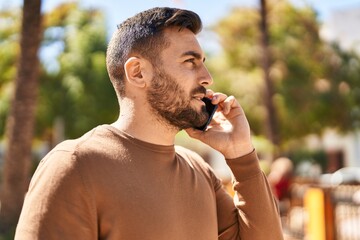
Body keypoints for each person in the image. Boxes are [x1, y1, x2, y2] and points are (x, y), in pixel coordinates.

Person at [15, 7, 283, 240]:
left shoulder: (200, 172)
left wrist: (241, 154)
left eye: (203, 63)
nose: (207, 78)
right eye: (190, 62)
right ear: (138, 72)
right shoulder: (73, 165)